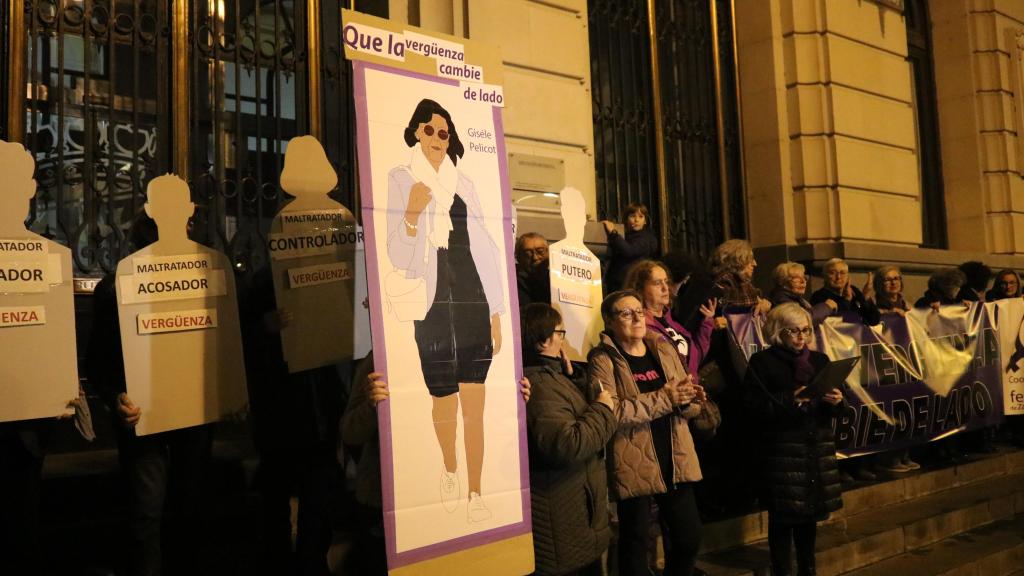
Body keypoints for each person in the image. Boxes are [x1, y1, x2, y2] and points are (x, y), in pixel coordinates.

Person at [386, 98, 506, 520]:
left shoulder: (465, 184)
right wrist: (413, 215)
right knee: (443, 398)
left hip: (472, 295)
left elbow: (487, 249)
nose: (438, 139)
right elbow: (398, 254)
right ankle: (450, 468)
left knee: (476, 400)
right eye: (431, 131)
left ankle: (475, 493)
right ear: (416, 132)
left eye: (444, 132)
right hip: (432, 301)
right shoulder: (401, 179)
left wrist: (495, 311)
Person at [88, 211, 213, 576]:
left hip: (195, 415)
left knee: (190, 511)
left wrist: (230, 391)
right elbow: (98, 361)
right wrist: (116, 399)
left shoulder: (210, 279)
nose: (186, 231)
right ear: (148, 229)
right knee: (147, 514)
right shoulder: (117, 286)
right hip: (144, 417)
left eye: (190, 223)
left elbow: (223, 344)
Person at [340, 358, 532, 574]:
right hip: (388, 502)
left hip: (444, 509)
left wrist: (513, 395)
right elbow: (350, 432)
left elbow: (485, 417)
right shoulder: (381, 356)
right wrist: (371, 404)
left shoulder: (473, 349)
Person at [588, 290, 706, 576]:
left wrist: (690, 400)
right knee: (635, 543)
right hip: (634, 460)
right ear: (609, 321)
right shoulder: (603, 359)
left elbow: (683, 403)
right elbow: (610, 412)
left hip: (675, 457)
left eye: (639, 311)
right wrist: (666, 399)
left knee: (689, 538)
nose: (637, 317)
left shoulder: (662, 347)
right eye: (626, 313)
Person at [744, 303, 845, 576]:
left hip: (815, 448)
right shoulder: (762, 362)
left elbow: (837, 408)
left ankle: (808, 569)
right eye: (793, 331)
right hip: (782, 451)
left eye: (805, 330)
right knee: (783, 518)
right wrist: (792, 398)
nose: (801, 337)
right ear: (777, 331)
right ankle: (782, 570)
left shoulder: (820, 361)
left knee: (809, 516)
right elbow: (752, 408)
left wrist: (836, 401)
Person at [521, 303, 617, 576]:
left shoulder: (550, 377)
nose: (564, 339)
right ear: (544, 340)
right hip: (562, 521)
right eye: (560, 332)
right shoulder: (538, 384)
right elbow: (567, 444)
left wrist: (571, 377)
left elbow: (567, 409)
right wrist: (603, 409)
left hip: (573, 515)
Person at [625, 260, 715, 380]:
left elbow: (694, 359)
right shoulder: (640, 326)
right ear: (640, 288)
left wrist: (707, 322)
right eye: (657, 283)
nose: (665, 288)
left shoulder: (670, 320)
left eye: (666, 282)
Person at [869, 266, 920, 474]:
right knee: (889, 411)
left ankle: (904, 454)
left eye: (896, 278)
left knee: (907, 411)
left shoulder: (907, 304)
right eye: (887, 280)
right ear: (880, 284)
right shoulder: (873, 304)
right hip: (884, 366)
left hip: (906, 364)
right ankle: (889, 458)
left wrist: (910, 317)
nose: (893, 283)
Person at [710, 239, 771, 323]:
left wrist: (765, 304)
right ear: (737, 260)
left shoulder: (742, 282)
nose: (755, 264)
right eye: (750, 259)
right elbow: (732, 316)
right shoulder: (726, 281)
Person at [602, 203, 658, 293]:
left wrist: (612, 233)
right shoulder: (626, 236)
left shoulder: (646, 238)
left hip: (629, 284)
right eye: (632, 216)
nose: (636, 220)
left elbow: (629, 250)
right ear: (626, 219)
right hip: (617, 283)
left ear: (645, 221)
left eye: (641, 217)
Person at [809, 258, 881, 326]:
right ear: (824, 276)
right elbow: (838, 322)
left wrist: (866, 297)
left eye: (842, 273)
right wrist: (846, 301)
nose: (838, 277)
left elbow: (874, 321)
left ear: (848, 276)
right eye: (832, 273)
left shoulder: (853, 291)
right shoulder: (818, 296)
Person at [516, 232, 551, 306]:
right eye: (528, 254)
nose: (535, 257)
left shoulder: (556, 280)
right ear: (518, 256)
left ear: (549, 253)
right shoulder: (509, 281)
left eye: (540, 252)